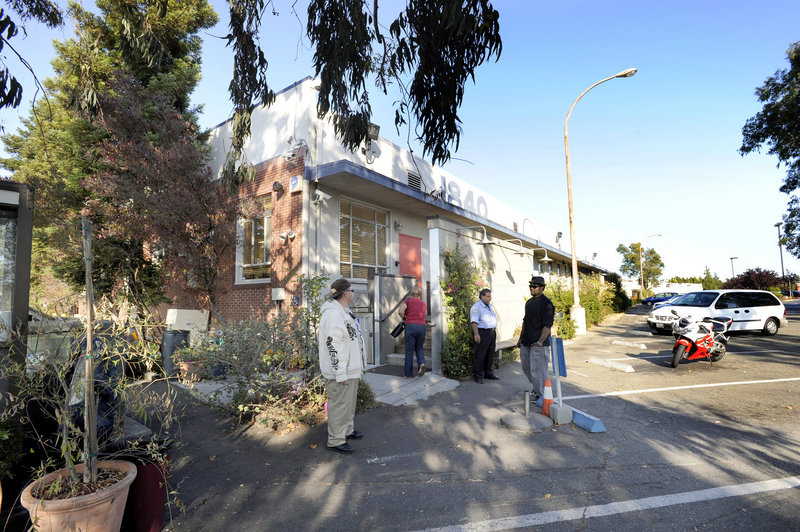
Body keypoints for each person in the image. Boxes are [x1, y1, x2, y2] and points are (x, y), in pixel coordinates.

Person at [318, 278, 366, 454]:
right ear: (345, 293)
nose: (354, 293)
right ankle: (336, 440)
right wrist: (340, 372)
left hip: (350, 369)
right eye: (352, 290)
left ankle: (347, 431)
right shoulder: (333, 315)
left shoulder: (344, 312)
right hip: (341, 371)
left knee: (348, 404)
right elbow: (333, 344)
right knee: (339, 405)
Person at [517, 276, 555, 402]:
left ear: (542, 288)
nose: (531, 288)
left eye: (534, 286)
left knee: (538, 371)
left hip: (539, 344)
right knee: (526, 368)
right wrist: (520, 339)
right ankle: (538, 388)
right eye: (530, 286)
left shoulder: (547, 304)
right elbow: (525, 322)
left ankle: (542, 395)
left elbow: (547, 325)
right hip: (526, 342)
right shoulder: (529, 302)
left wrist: (540, 342)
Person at [470, 288, 499, 383]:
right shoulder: (476, 307)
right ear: (482, 296)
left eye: (490, 296)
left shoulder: (489, 306)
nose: (490, 298)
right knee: (480, 355)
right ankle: (478, 376)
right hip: (482, 332)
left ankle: (488, 373)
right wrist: (476, 334)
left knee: (490, 354)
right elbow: (474, 322)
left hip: (491, 333)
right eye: (488, 296)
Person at [398, 285, 428, 378]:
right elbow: (423, 315)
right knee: (419, 348)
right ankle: (421, 364)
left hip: (410, 326)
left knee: (409, 351)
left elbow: (400, 311)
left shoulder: (408, 300)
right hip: (422, 327)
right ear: (420, 294)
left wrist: (404, 318)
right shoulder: (423, 304)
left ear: (411, 293)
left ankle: (408, 374)